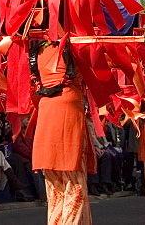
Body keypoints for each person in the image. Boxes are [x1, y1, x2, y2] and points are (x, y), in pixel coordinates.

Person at [31, 41, 94, 225]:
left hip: (47, 107)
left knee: (55, 185)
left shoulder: (37, 46)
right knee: (74, 183)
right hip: (68, 107)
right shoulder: (74, 44)